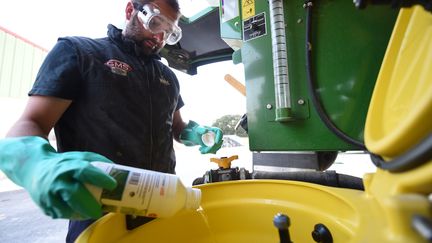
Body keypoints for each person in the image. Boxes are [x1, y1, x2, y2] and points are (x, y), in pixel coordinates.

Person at [0, 0, 223, 242]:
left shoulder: (167, 77)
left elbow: (177, 127)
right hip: (99, 209)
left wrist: (198, 133)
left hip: (163, 201)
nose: (160, 37)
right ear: (131, 11)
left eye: (169, 33)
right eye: (156, 23)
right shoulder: (79, 52)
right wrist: (37, 165)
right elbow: (32, 121)